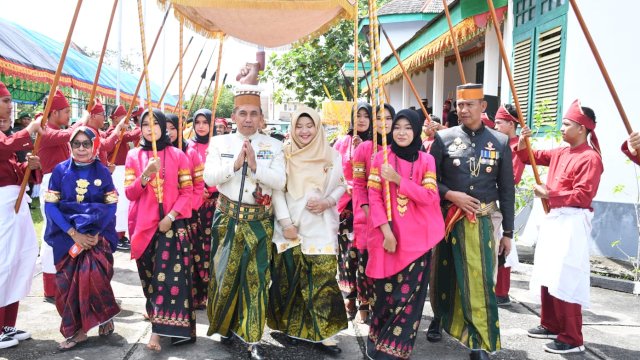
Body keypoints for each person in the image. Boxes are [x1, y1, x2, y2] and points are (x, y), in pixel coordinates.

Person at [428, 84, 514, 360]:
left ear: (483, 107)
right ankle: (439, 318)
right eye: (460, 105)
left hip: (483, 221)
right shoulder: (443, 139)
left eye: (470, 104)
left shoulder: (499, 141)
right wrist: (452, 194)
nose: (463, 110)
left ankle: (479, 341)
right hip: (448, 219)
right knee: (444, 274)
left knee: (480, 280)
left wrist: (509, 232)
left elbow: (507, 190)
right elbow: (429, 181)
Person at [203, 87, 285, 360]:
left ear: (261, 117)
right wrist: (236, 165)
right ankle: (225, 327)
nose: (248, 119)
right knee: (224, 275)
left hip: (258, 222)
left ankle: (252, 338)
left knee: (256, 280)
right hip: (225, 219)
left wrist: (256, 166)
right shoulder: (220, 143)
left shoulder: (274, 145)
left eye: (253, 114)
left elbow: (281, 182)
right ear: (234, 116)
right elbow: (209, 178)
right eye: (243, 114)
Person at [519, 100, 603, 355]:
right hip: (554, 218)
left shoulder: (591, 158)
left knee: (566, 276)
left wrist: (549, 193)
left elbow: (582, 196)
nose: (562, 127)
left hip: (572, 222)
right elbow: (528, 157)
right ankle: (550, 323)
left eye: (566, 124)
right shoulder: (560, 152)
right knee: (547, 272)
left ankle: (572, 337)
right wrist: (523, 141)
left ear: (582, 128)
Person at [364, 109, 444, 359]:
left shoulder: (426, 160)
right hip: (388, 239)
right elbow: (374, 199)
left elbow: (430, 197)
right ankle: (377, 338)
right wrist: (387, 232)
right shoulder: (380, 158)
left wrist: (399, 179)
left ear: (417, 129)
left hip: (418, 241)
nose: (401, 132)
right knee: (385, 295)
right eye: (397, 126)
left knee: (408, 300)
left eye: (408, 127)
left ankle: (394, 349)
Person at [269, 106, 348, 355]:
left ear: (317, 127)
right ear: (292, 129)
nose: (304, 131)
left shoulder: (331, 154)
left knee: (323, 278)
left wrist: (327, 202)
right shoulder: (284, 154)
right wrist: (285, 223)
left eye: (309, 125)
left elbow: (342, 185)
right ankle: (293, 329)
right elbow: (277, 191)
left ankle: (325, 333)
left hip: (320, 226)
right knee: (290, 279)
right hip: (291, 226)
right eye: (299, 126)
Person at [44, 126, 120, 350]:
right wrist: (73, 233)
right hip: (67, 236)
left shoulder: (103, 171)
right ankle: (80, 328)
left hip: (97, 236)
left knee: (95, 278)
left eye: (86, 144)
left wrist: (95, 234)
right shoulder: (59, 171)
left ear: (94, 146)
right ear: (70, 146)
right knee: (67, 286)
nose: (81, 148)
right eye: (76, 144)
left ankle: (91, 324)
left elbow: (111, 205)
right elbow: (51, 206)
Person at [125, 109, 195, 351]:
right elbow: (130, 193)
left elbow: (187, 191)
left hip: (171, 226)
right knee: (149, 281)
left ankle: (156, 333)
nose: (150, 128)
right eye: (145, 124)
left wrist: (171, 215)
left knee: (165, 280)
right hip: (143, 227)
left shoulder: (178, 155)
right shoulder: (133, 155)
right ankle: (157, 317)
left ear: (164, 127)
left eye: (155, 123)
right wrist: (146, 175)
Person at [0, 81, 43, 349]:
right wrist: (29, 130)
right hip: (3, 207)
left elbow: (12, 165)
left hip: (15, 206)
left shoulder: (7, 137)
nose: (9, 106)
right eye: (5, 102)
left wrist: (29, 166)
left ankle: (7, 325)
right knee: (3, 263)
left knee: (19, 261)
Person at [38, 89, 85, 303]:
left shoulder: (57, 128)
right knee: (52, 234)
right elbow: (66, 136)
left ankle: (63, 281)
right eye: (66, 112)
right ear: (54, 113)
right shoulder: (44, 129)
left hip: (64, 184)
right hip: (51, 185)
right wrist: (81, 123)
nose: (69, 116)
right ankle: (51, 287)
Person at [351, 103, 395, 323]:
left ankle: (387, 306)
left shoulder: (401, 147)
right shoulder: (364, 148)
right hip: (368, 217)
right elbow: (358, 184)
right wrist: (370, 213)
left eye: (388, 118)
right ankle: (364, 304)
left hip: (397, 218)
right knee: (366, 263)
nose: (384, 123)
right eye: (379, 118)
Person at [333, 102, 372, 319]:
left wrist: (364, 148)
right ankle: (349, 298)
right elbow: (333, 172)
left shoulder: (377, 143)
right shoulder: (341, 142)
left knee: (366, 256)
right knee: (348, 256)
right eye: (358, 115)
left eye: (366, 115)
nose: (362, 120)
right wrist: (346, 184)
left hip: (368, 209)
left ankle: (365, 301)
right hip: (347, 209)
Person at [167, 112, 208, 309]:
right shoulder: (158, 152)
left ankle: (195, 297)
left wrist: (187, 208)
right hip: (164, 215)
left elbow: (198, 185)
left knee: (191, 257)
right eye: (164, 127)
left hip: (187, 214)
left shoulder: (189, 151)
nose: (168, 132)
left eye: (172, 128)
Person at [493, 104, 526, 306]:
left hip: (501, 198)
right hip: (490, 197)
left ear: (511, 124)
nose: (495, 126)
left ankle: (501, 292)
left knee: (502, 245)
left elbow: (512, 178)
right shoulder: (499, 143)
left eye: (499, 122)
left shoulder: (518, 146)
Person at [107, 105, 141, 251]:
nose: (125, 121)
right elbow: (130, 136)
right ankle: (117, 236)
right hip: (115, 172)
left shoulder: (121, 132)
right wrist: (143, 126)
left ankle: (121, 235)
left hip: (123, 171)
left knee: (124, 206)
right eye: (123, 118)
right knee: (118, 206)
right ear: (115, 118)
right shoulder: (112, 132)